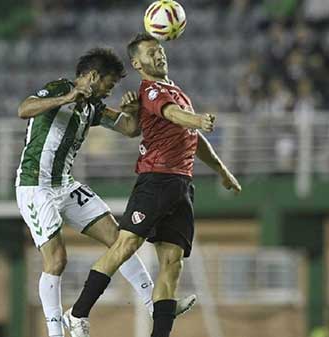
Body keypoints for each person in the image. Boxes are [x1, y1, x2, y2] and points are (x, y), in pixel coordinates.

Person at [66, 33, 242, 337]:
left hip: (181, 185)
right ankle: (78, 312)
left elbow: (192, 138)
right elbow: (173, 115)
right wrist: (196, 119)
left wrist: (222, 170)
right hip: (156, 179)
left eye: (160, 50)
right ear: (137, 63)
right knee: (125, 245)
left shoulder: (176, 91)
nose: (158, 56)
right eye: (150, 53)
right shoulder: (150, 92)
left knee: (173, 264)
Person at [15, 48, 194, 337]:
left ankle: (154, 305)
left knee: (120, 240)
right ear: (93, 76)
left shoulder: (93, 107)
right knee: (57, 260)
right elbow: (24, 109)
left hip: (65, 184)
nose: (110, 91)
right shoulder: (60, 88)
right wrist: (66, 98)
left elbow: (129, 129)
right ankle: (56, 332)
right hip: (36, 186)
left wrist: (134, 110)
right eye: (108, 85)